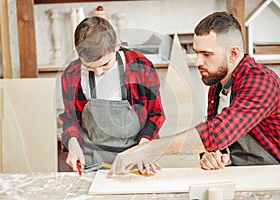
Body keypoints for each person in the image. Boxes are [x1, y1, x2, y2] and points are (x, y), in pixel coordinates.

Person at [108, 11, 279, 176]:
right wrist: (209, 155)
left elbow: (216, 132)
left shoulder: (261, 82)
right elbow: (214, 142)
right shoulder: (217, 84)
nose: (198, 62)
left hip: (273, 174)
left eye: (206, 54)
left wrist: (146, 149)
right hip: (242, 174)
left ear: (233, 53)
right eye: (197, 53)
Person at [59, 16, 165, 172]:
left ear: (117, 45)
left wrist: (143, 148)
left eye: (104, 64)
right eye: (90, 68)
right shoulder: (72, 74)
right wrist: (73, 144)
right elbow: (71, 118)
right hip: (92, 160)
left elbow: (155, 114)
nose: (99, 72)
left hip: (136, 158)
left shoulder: (141, 67)